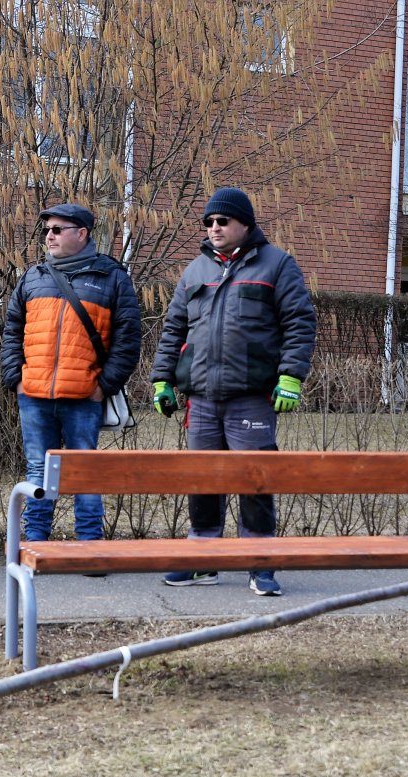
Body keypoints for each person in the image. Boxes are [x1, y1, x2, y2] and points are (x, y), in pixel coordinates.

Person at [149, 186, 317, 597]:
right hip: (202, 398)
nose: (214, 227)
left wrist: (291, 377)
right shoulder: (195, 271)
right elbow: (174, 330)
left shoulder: (277, 265)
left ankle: (260, 564)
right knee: (203, 479)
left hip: (251, 397)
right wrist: (162, 379)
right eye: (208, 222)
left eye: (222, 221)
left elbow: (299, 322)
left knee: (255, 479)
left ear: (245, 223)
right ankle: (202, 561)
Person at [1, 202, 143, 546]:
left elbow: (128, 339)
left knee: (84, 473)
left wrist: (104, 386)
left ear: (82, 233)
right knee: (38, 471)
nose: (48, 236)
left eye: (57, 229)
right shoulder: (33, 277)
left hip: (84, 396)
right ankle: (36, 545)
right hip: (34, 395)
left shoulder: (111, 278)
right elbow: (12, 330)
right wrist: (16, 378)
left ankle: (90, 546)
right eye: (46, 230)